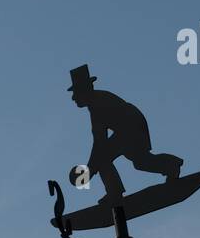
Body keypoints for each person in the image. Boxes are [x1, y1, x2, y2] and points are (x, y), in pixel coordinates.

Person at [68, 64, 183, 205]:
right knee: (140, 162)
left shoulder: (98, 105)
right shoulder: (95, 103)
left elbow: (99, 143)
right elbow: (99, 143)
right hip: (130, 126)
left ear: (85, 91)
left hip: (130, 127)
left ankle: (115, 192)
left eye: (76, 93)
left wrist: (88, 172)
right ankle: (170, 165)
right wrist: (90, 169)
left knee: (105, 158)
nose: (74, 98)